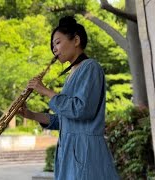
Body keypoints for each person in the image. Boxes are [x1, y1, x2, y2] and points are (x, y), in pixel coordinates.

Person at [18, 16, 120, 179]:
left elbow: (81, 110)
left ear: (76, 40)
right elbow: (65, 119)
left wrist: (45, 91)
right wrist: (31, 115)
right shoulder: (72, 74)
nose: (54, 49)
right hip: (70, 151)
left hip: (85, 151)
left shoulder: (91, 67)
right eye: (53, 46)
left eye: (57, 42)